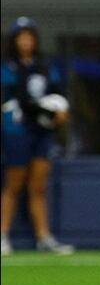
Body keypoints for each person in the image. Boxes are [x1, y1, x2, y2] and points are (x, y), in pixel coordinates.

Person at [1, 17, 75, 257]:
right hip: (18, 131)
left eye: (29, 36)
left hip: (42, 133)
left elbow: (57, 95)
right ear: (14, 41)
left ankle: (44, 237)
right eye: (21, 37)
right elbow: (20, 100)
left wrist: (60, 112)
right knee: (13, 185)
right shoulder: (7, 67)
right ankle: (3, 235)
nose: (25, 41)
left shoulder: (44, 66)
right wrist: (43, 111)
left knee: (39, 186)